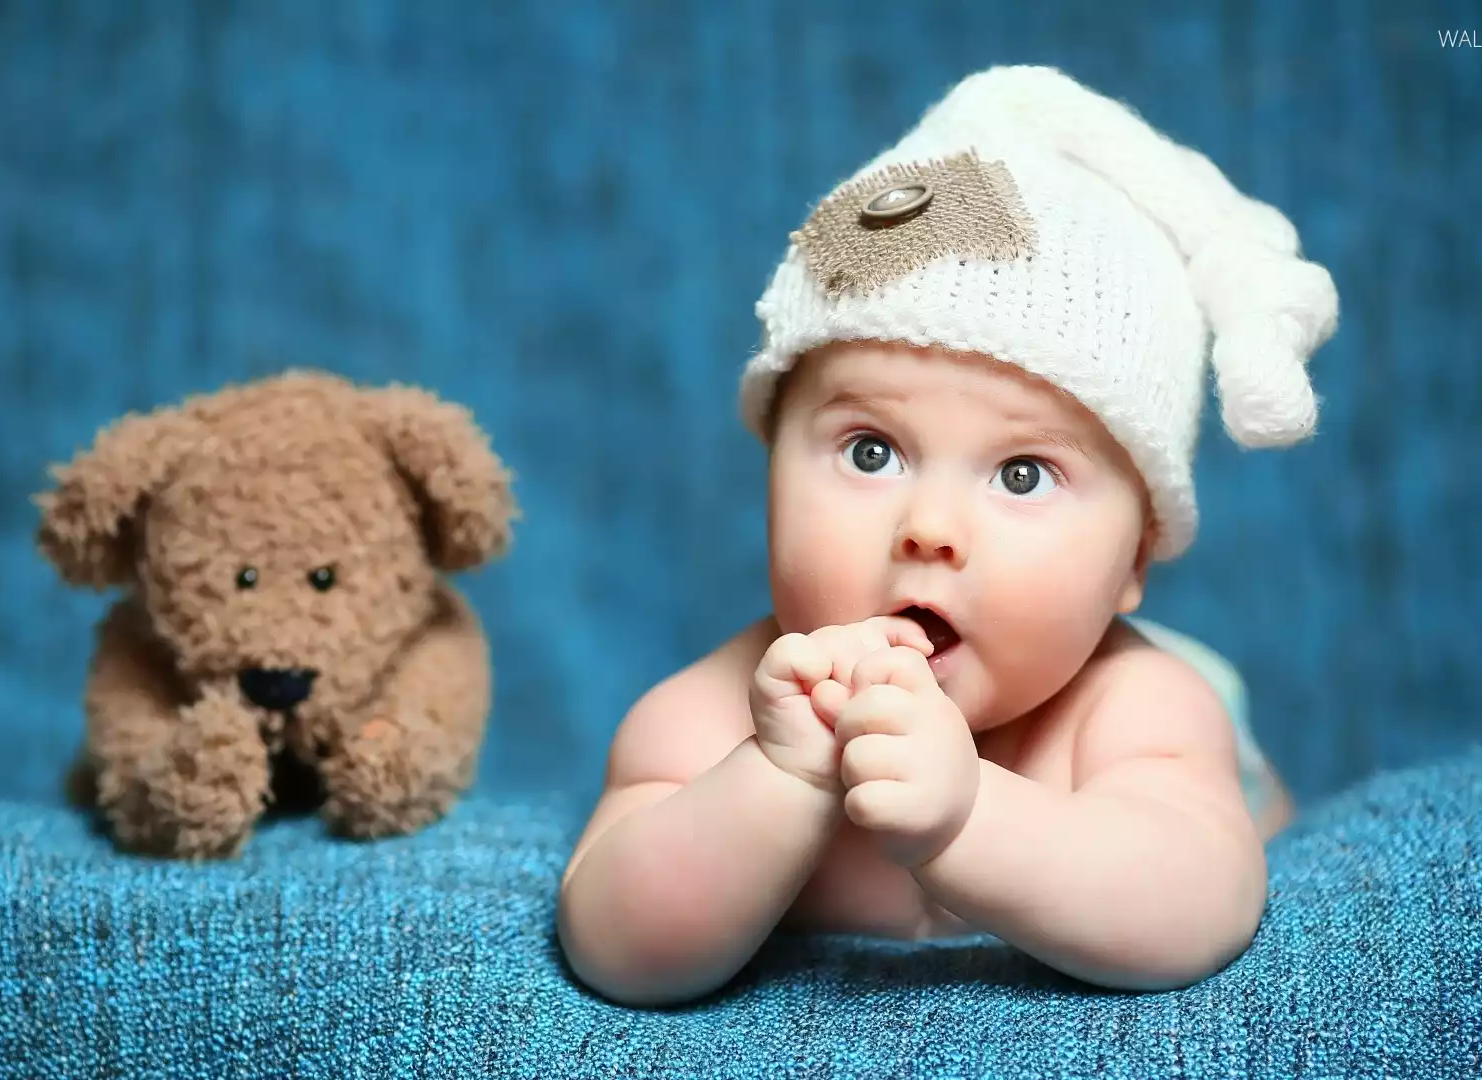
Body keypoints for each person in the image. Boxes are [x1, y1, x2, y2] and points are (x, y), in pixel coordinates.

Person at [556, 64, 1338, 1008]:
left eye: (1022, 474)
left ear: (1135, 558)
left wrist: (967, 815)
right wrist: (774, 779)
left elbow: (1198, 909)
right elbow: (613, 946)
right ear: (767, 472)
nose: (929, 528)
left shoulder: (1139, 709)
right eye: (871, 451)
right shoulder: (717, 714)